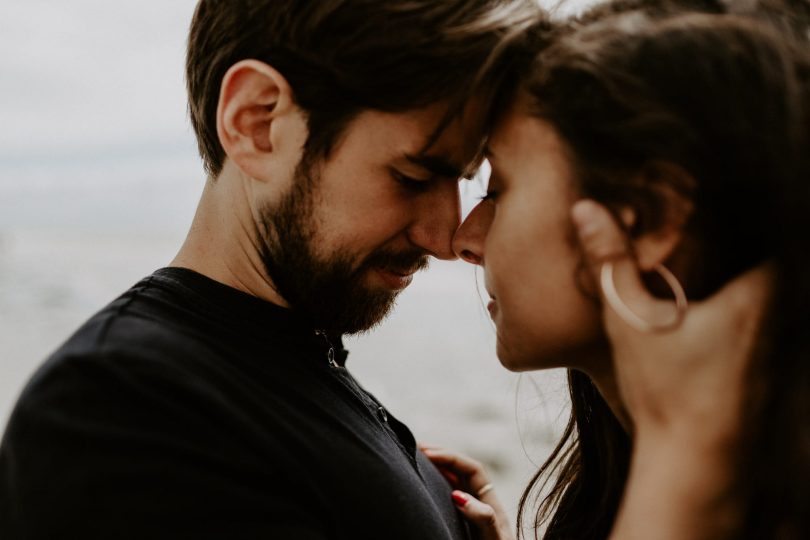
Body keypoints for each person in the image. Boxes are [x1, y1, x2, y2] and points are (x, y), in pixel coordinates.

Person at [0, 1, 545, 538]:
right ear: (257, 122)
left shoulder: (277, 363)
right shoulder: (118, 412)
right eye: (411, 176)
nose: (445, 238)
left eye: (464, 180)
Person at [427, 0, 810, 538]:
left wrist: (682, 469)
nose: (463, 240)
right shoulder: (627, 470)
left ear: (646, 219)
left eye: (499, 190)